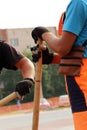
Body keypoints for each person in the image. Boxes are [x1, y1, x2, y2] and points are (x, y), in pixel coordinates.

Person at [31, 0, 87, 129]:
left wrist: (44, 33)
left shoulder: (79, 3)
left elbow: (63, 48)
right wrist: (51, 58)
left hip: (82, 82)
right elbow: (80, 53)